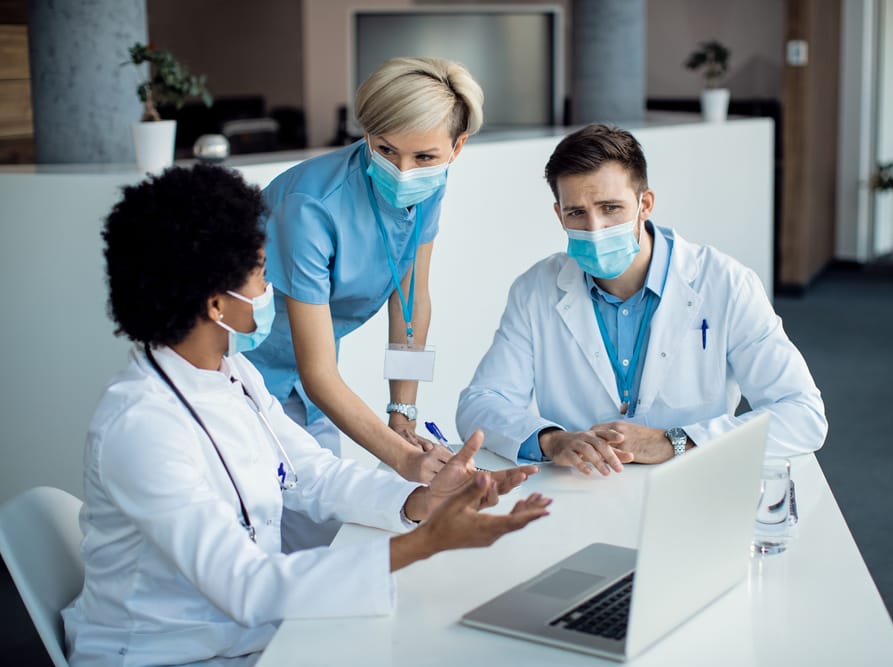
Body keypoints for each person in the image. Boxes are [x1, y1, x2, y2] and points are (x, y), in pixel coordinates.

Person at [63, 165, 549, 667]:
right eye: (259, 270)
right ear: (216, 304)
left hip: (244, 639)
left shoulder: (234, 373)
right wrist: (425, 544)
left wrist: (421, 501)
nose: (270, 282)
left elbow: (313, 475)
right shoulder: (142, 425)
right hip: (168, 656)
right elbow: (246, 586)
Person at [456, 124, 827, 474]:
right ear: (559, 214)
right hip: (584, 489)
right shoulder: (535, 289)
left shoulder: (725, 283)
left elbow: (802, 414)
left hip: (693, 482)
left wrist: (674, 442)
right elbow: (480, 404)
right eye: (577, 213)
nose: (595, 229)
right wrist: (552, 440)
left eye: (610, 208)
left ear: (644, 203)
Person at [244, 57, 483, 548]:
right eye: (386, 148)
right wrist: (402, 456)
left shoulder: (428, 185)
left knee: (323, 533)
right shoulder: (312, 207)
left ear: (456, 149)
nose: (402, 171)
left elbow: (411, 301)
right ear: (367, 133)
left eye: (423, 157)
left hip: (309, 384)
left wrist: (403, 411)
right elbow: (319, 371)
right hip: (248, 376)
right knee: (269, 539)